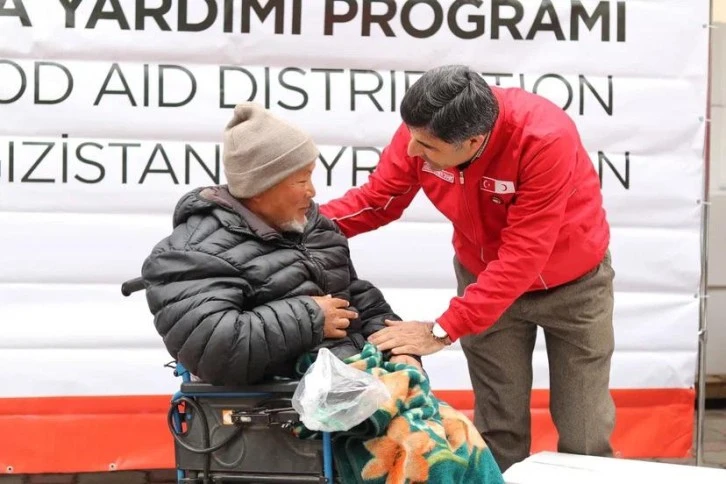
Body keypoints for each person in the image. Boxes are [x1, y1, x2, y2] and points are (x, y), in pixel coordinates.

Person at [319, 64, 616, 472]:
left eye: (426, 147)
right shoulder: (424, 130)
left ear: (474, 141)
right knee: (498, 428)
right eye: (411, 138)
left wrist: (442, 330)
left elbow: (524, 253)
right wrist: (295, 227)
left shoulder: (545, 137)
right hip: (484, 280)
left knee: (584, 429)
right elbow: (378, 199)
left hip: (575, 286)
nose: (411, 152)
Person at [141, 102, 421, 387]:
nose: (312, 191)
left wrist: (399, 350)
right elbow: (213, 349)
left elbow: (357, 300)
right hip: (289, 410)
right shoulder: (191, 252)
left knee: (449, 428)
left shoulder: (315, 227)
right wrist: (309, 317)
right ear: (259, 188)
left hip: (354, 385)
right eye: (302, 179)